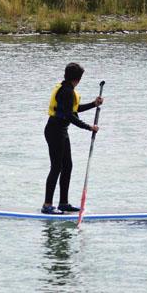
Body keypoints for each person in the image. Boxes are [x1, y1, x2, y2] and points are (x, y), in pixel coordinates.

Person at [42, 62, 103, 215]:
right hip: (55, 131)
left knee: (67, 166)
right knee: (56, 167)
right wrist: (89, 127)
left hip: (61, 131)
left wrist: (94, 104)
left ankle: (63, 203)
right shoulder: (66, 91)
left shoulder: (67, 89)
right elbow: (70, 116)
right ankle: (47, 205)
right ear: (78, 78)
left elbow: (73, 110)